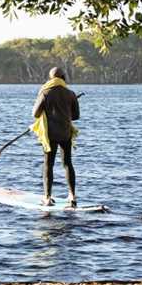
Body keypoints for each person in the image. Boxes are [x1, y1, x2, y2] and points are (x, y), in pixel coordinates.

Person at [32, 66, 80, 207]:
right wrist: (66, 110)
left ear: (51, 78)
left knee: (48, 164)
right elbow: (76, 116)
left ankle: (47, 198)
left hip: (50, 134)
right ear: (63, 77)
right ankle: (72, 197)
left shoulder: (45, 92)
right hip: (65, 133)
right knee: (67, 163)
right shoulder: (70, 94)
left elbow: (35, 113)